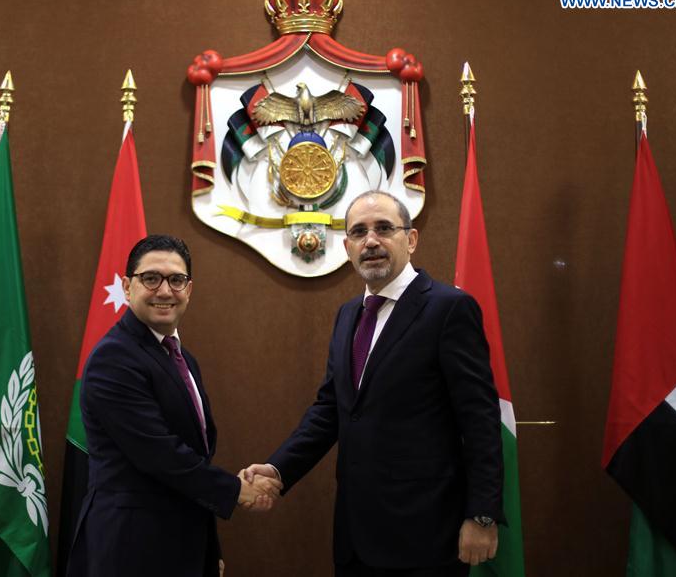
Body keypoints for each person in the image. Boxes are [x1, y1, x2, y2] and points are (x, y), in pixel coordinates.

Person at [246, 191, 504, 577]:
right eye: (359, 232)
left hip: (427, 535)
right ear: (347, 247)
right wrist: (279, 470)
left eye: (384, 228)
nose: (371, 241)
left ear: (411, 239)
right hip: (355, 537)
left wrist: (482, 514)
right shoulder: (348, 314)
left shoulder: (448, 309)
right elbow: (330, 410)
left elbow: (480, 419)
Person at [68, 234, 281, 577]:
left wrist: (209, 548)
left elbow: (195, 455)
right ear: (127, 287)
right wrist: (237, 491)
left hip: (183, 544)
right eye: (151, 278)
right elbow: (159, 454)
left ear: (189, 289)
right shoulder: (114, 357)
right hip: (131, 549)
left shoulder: (181, 358)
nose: (165, 291)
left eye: (176, 280)